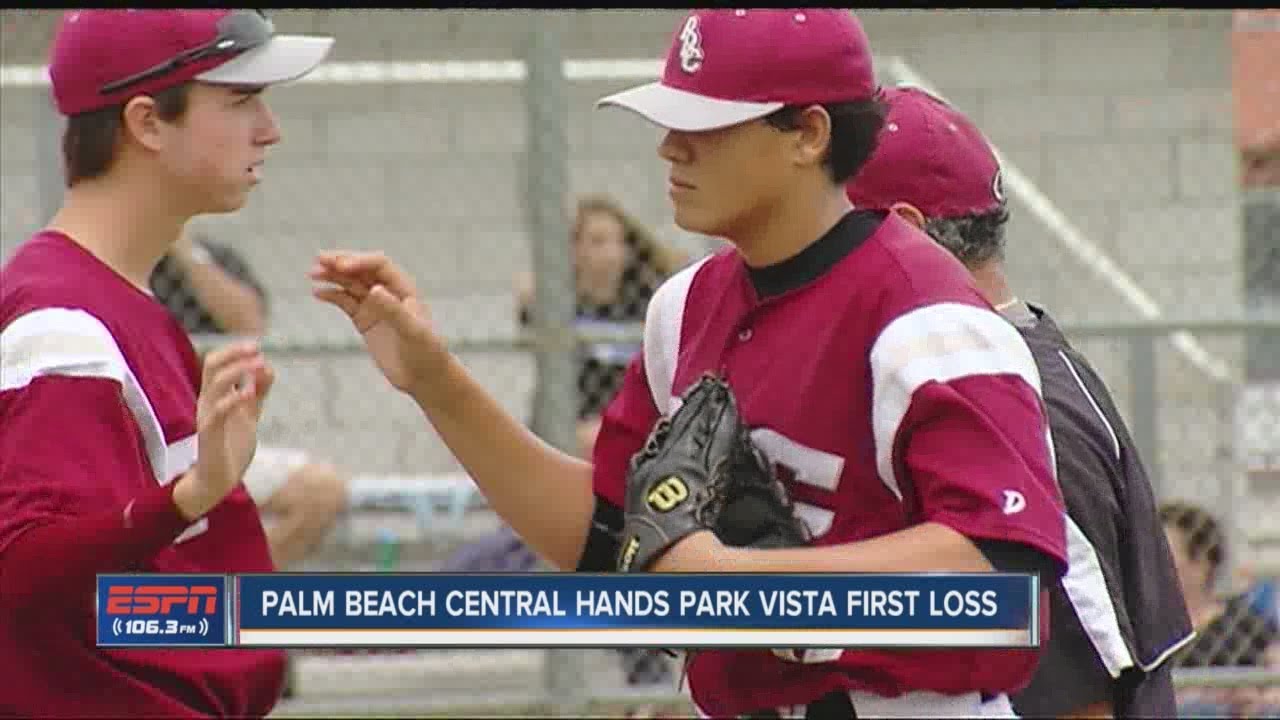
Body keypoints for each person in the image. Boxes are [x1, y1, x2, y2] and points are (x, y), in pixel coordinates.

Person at [312, 9, 1067, 718]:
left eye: (706, 125)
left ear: (808, 134)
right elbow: (607, 539)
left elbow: (1003, 576)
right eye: (670, 120)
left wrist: (736, 582)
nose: (671, 147)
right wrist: (435, 383)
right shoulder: (685, 307)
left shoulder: (927, 318)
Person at [0, 10, 331, 717]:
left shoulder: (118, 299)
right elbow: (25, 573)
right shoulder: (64, 323)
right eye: (241, 100)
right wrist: (190, 493)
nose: (269, 128)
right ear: (147, 124)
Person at [844, 85, 1196, 718]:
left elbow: (1078, 703)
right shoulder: (1002, 367)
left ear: (903, 231)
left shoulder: (1014, 412)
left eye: (830, 231)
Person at [153, 226, 349, 569]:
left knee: (321, 492)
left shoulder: (209, 258)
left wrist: (184, 251)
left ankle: (237, 593)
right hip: (142, 449)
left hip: (214, 440)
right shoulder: (113, 266)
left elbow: (249, 321)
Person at [515, 193, 688, 458]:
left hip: (635, 426)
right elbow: (528, 302)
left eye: (618, 242)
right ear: (574, 249)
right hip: (570, 427)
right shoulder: (560, 305)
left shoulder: (645, 301)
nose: (610, 252)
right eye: (597, 241)